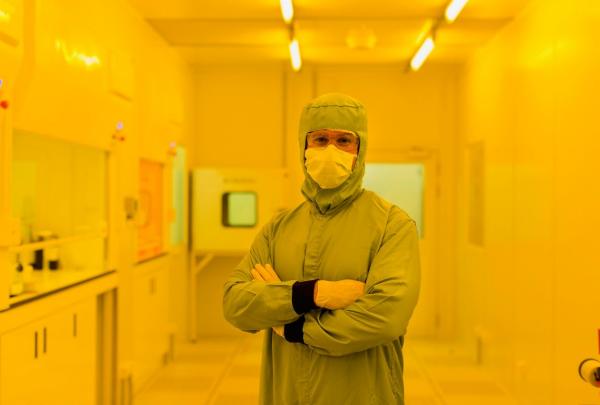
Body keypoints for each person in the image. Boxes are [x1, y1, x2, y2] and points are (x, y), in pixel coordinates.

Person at [223, 92, 421, 405]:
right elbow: (235, 303)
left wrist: (294, 328)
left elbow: (385, 317)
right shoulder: (278, 229)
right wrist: (311, 293)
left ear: (361, 149)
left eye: (344, 141)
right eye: (319, 139)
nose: (331, 150)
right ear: (303, 147)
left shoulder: (392, 226)